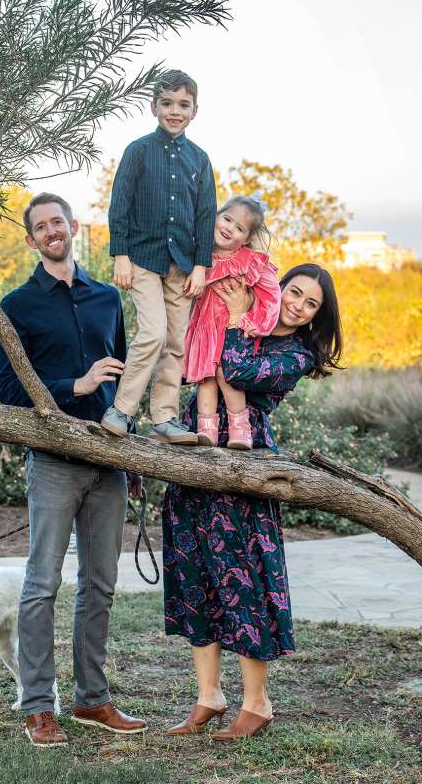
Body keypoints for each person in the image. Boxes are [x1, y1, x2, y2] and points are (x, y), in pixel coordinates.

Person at [163, 263, 344, 740]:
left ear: (313, 318)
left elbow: (236, 368)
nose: (298, 305)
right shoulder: (247, 315)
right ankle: (209, 696)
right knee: (195, 572)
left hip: (243, 462)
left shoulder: (296, 354)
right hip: (195, 448)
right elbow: (193, 357)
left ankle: (258, 703)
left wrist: (236, 315)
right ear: (279, 287)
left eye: (311, 304)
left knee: (241, 580)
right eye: (295, 292)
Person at [0, 192, 147, 747]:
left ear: (73, 226)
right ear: (32, 239)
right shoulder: (16, 305)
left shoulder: (108, 297)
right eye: (41, 227)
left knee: (101, 585)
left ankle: (92, 699)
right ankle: (37, 706)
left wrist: (129, 448)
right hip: (54, 462)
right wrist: (74, 385)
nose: (52, 231)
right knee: (41, 585)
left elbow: (129, 382)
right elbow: (8, 393)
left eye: (58, 221)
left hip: (108, 463)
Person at [101, 69, 217, 444]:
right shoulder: (139, 151)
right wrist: (120, 254)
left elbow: (206, 216)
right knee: (152, 332)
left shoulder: (200, 160)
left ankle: (165, 418)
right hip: (143, 258)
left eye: (183, 104)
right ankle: (121, 410)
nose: (175, 111)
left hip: (182, 267)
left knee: (177, 341)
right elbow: (120, 205)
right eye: (167, 103)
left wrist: (201, 266)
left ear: (195, 111)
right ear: (153, 107)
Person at [183, 193, 281, 451]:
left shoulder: (248, 261)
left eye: (239, 228)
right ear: (216, 216)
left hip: (231, 330)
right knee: (205, 378)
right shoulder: (199, 255)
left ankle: (241, 431)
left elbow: (271, 293)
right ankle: (206, 431)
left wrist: (255, 322)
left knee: (226, 375)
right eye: (227, 219)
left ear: (247, 238)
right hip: (204, 330)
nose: (229, 228)